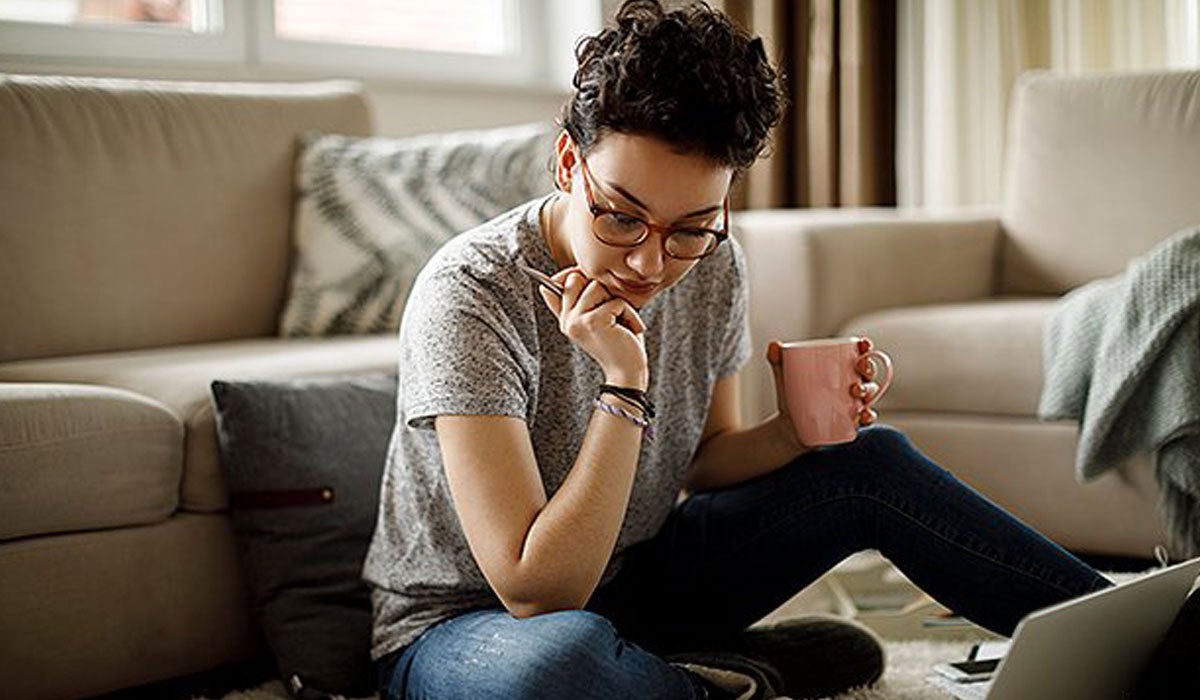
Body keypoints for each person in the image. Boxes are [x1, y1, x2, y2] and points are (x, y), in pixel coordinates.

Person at [362, 2, 1114, 698]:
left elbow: (705, 460)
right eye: (622, 217)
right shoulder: (471, 293)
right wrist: (623, 386)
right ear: (568, 164)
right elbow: (535, 589)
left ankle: (1150, 639)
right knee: (556, 667)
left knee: (871, 464)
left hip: (639, 579)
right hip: (468, 626)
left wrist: (792, 432)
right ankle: (734, 676)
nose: (651, 264)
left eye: (690, 226)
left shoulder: (716, 261)